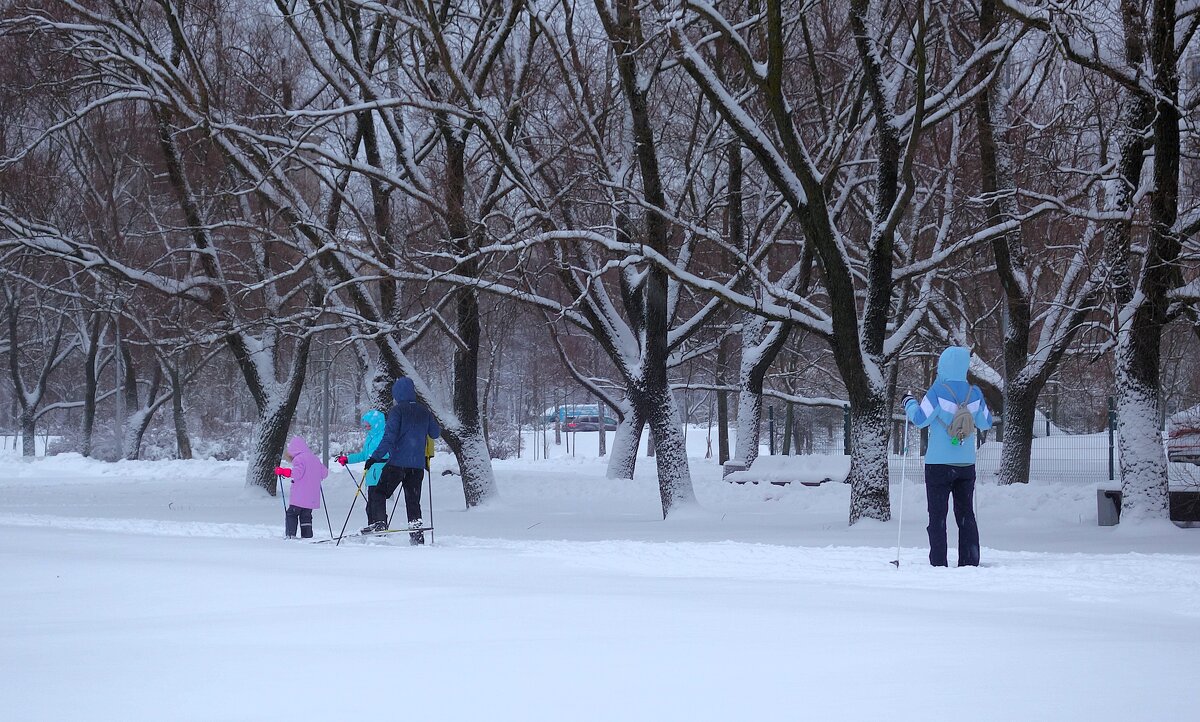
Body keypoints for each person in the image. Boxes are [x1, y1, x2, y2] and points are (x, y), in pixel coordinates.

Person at [902, 347, 993, 567]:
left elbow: (920, 419)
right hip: (966, 464)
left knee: (937, 516)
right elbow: (986, 423)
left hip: (938, 465)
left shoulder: (937, 391)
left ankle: (939, 562)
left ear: (943, 365)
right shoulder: (975, 393)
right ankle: (970, 561)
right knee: (966, 515)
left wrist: (909, 402)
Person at [364, 378, 440, 544]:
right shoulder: (424, 411)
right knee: (413, 501)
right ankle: (417, 535)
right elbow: (435, 433)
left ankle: (379, 523)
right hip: (417, 466)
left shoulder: (397, 411)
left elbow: (389, 437)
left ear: (397, 393)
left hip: (397, 463)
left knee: (379, 492)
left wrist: (375, 457)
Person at [335, 409, 386, 520]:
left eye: (369, 426)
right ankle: (373, 526)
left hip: (380, 475)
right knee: (371, 506)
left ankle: (380, 528)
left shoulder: (384, 436)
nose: (367, 428)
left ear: (376, 424)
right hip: (370, 475)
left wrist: (375, 460)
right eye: (366, 426)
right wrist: (348, 459)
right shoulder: (370, 437)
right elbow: (364, 455)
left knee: (378, 504)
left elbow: (387, 454)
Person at [275, 436, 329, 539]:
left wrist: (283, 471)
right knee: (306, 516)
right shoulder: (315, 458)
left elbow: (297, 473)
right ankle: (307, 536)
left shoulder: (299, 458)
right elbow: (324, 473)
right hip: (312, 497)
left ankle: (291, 535)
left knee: (291, 514)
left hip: (299, 496)